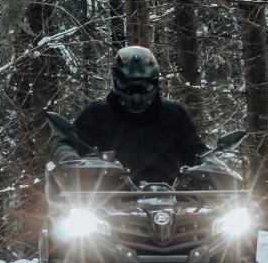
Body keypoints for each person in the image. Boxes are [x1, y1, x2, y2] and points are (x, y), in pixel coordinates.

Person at [52, 46, 207, 184]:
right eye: (128, 85)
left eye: (144, 85)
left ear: (155, 81)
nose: (137, 94)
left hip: (174, 202)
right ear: (115, 81)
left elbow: (196, 151)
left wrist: (212, 164)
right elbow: (68, 144)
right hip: (109, 203)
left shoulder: (173, 112)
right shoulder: (98, 113)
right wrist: (70, 160)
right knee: (65, 212)